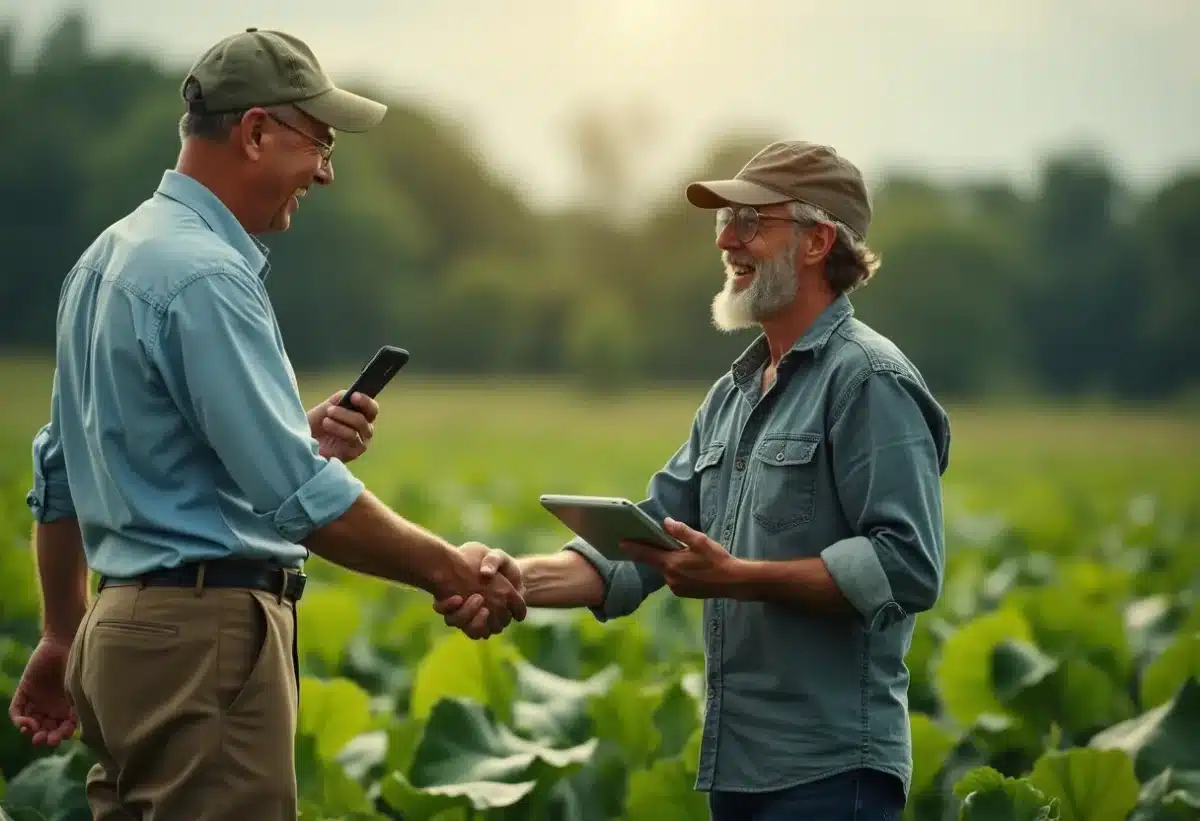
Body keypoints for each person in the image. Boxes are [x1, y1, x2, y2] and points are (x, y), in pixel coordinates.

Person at [7, 27, 525, 821]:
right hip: (202, 641)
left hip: (119, 638)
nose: (323, 171)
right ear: (254, 132)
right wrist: (451, 570)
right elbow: (302, 498)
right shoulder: (208, 273)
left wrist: (61, 630)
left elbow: (61, 468)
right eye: (317, 143)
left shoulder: (109, 257)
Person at [437, 141, 951, 821]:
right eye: (723, 222)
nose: (728, 241)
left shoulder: (868, 379)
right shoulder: (732, 395)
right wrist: (507, 578)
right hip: (737, 766)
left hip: (832, 773)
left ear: (817, 241)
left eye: (751, 222)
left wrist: (737, 576)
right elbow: (643, 544)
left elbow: (908, 565)